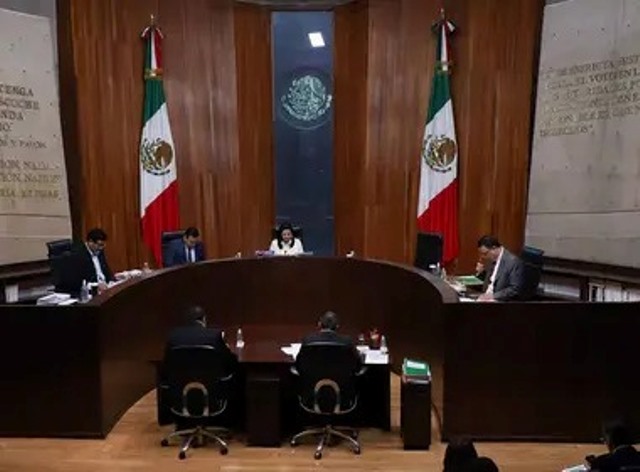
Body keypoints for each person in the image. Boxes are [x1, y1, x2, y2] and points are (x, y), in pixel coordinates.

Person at [164, 306, 235, 363]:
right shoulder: (215, 335)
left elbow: (167, 361)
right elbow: (228, 359)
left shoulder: (173, 335)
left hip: (180, 376)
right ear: (204, 319)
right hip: (211, 375)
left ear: (187, 319)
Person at [63, 227, 114, 293]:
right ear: (90, 242)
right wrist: (96, 285)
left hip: (104, 288)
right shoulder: (78, 255)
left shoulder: (99, 251)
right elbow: (76, 281)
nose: (101, 248)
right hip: (90, 291)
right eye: (99, 245)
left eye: (103, 245)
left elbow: (105, 270)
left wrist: (113, 278)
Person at [475, 235, 525, 302]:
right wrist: (481, 272)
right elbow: (492, 280)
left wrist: (493, 296)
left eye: (485, 253)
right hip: (485, 298)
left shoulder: (513, 262)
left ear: (494, 248)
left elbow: (514, 289)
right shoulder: (492, 259)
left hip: (500, 301)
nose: (483, 257)